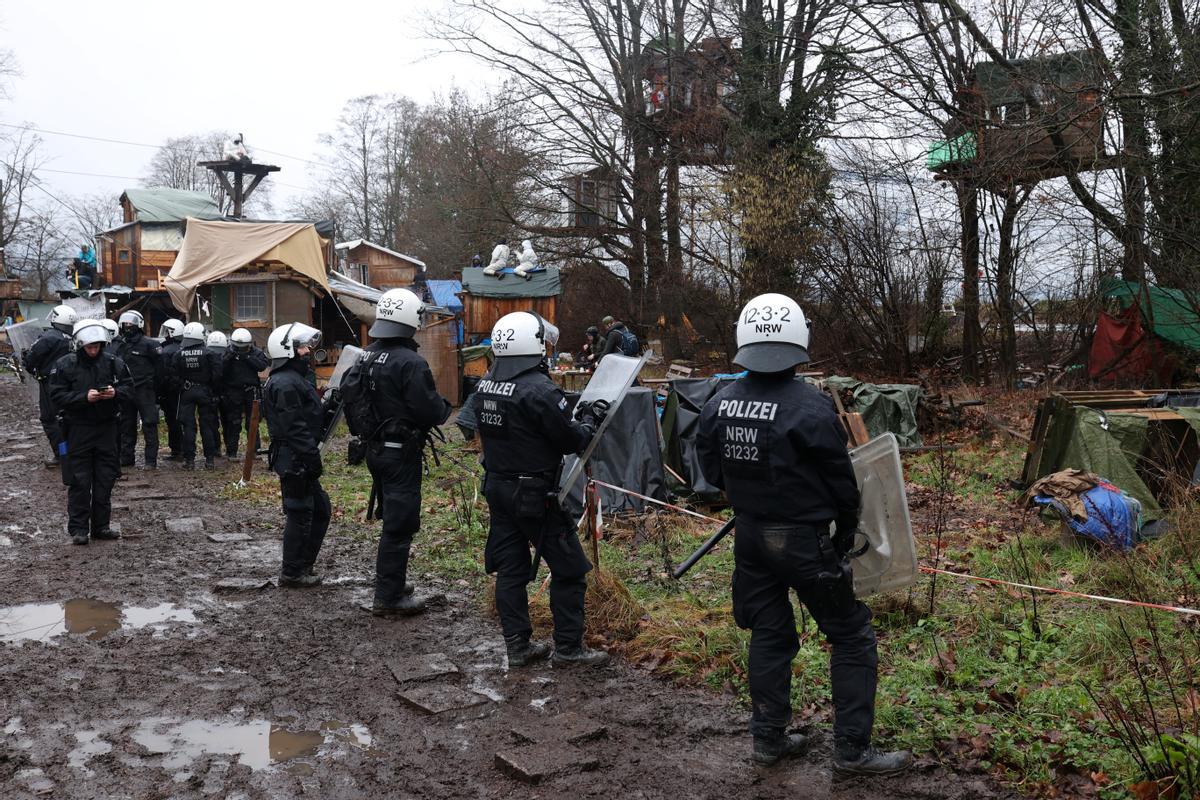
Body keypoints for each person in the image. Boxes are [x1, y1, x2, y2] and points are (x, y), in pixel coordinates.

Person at [696, 293, 911, 775]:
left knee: (770, 634)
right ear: (799, 340)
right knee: (852, 635)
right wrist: (843, 538)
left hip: (751, 540)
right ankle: (853, 752)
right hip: (803, 543)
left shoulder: (719, 404)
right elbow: (843, 487)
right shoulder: (812, 409)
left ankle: (768, 740)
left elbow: (709, 472)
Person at [474, 310, 607, 667]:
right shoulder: (539, 388)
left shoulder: (485, 384)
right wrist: (589, 420)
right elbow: (570, 440)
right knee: (569, 569)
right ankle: (568, 648)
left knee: (511, 570)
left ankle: (518, 647)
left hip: (498, 488)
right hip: (534, 495)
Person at [351, 288, 452, 616]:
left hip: (374, 450)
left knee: (392, 518)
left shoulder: (365, 354)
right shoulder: (410, 361)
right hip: (400, 454)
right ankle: (388, 598)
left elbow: (348, 396)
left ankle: (393, 582)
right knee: (399, 523)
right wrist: (444, 409)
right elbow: (429, 411)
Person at [48, 318, 132, 545]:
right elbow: (56, 396)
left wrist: (115, 393)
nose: (93, 350)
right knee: (80, 481)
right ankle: (78, 529)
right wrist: (83, 398)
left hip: (106, 428)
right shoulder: (65, 365)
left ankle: (101, 526)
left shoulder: (114, 363)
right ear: (80, 344)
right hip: (78, 429)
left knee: (105, 480)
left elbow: (129, 389)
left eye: (97, 346)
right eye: (89, 347)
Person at [262, 322, 330, 587]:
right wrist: (311, 457)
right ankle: (292, 572)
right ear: (286, 350)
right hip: (295, 458)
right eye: (301, 346)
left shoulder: (292, 380)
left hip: (297, 456)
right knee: (300, 512)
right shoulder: (285, 383)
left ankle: (302, 566)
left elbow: (307, 417)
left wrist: (329, 405)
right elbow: (295, 427)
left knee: (320, 509)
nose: (306, 351)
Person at [23, 304, 78, 466]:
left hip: (50, 384)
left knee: (50, 420)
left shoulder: (49, 337)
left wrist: (27, 360)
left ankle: (61, 455)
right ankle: (74, 451)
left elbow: (31, 359)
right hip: (69, 384)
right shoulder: (71, 338)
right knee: (68, 418)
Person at [110, 310, 162, 470]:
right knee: (126, 424)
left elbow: (161, 369)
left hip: (145, 390)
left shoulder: (150, 345)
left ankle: (150, 461)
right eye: (125, 323)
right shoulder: (119, 345)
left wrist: (157, 390)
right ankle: (126, 458)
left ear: (139, 324)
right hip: (126, 391)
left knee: (149, 424)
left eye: (131, 323)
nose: (128, 326)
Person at [168, 322, 222, 470]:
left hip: (186, 391)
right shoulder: (210, 353)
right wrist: (211, 388)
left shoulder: (179, 354)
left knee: (188, 427)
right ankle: (209, 460)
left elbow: (173, 375)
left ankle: (189, 461)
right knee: (207, 426)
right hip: (205, 391)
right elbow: (217, 375)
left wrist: (182, 385)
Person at [220, 328, 269, 459]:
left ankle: (255, 450)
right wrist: (230, 357)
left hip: (251, 391)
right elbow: (221, 368)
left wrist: (247, 357)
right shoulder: (228, 351)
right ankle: (232, 452)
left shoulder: (256, 352)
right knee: (234, 422)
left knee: (252, 422)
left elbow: (262, 366)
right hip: (233, 391)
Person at [157, 319, 186, 461]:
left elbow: (162, 373)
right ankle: (186, 450)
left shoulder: (165, 351)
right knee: (186, 421)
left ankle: (177, 450)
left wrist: (160, 393)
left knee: (173, 421)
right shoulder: (186, 348)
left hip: (170, 392)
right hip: (186, 390)